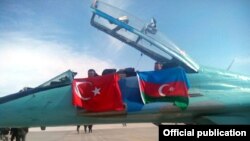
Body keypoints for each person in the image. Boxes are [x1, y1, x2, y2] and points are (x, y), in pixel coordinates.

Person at [76, 69, 97, 134]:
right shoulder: (86, 81)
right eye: (89, 73)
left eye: (91, 73)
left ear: (94, 73)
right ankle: (84, 129)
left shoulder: (98, 80)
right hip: (87, 99)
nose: (90, 74)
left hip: (95, 99)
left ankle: (89, 129)